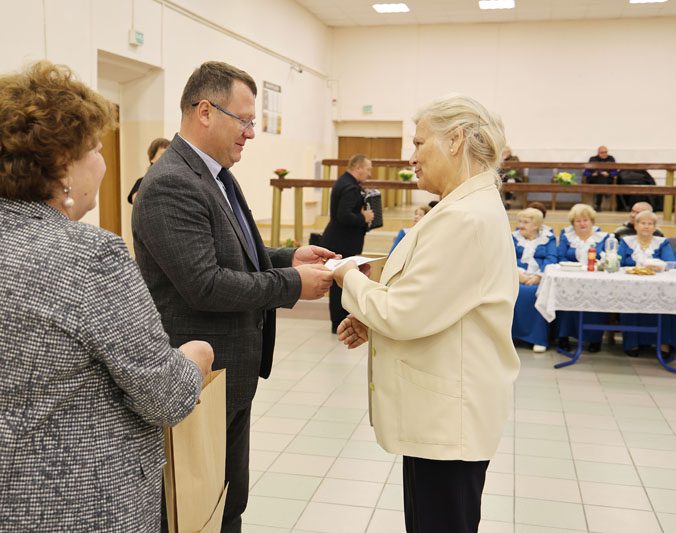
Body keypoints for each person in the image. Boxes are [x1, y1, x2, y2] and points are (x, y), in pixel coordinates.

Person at [0, 61, 213, 531]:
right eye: (95, 148)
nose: (103, 160)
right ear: (62, 167)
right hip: (81, 504)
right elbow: (163, 396)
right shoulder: (89, 256)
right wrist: (194, 359)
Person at [131, 61, 336, 532]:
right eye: (244, 120)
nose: (251, 133)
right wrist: (293, 286)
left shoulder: (215, 174)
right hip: (202, 375)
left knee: (229, 501)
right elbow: (206, 283)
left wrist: (289, 257)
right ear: (205, 111)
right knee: (197, 508)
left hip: (232, 372)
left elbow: (237, 249)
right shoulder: (170, 185)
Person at [333, 94, 520, 533]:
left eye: (419, 144)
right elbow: (432, 301)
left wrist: (347, 275)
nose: (410, 157)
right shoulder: (460, 208)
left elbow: (404, 312)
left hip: (448, 423)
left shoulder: (466, 218)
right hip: (437, 413)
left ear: (455, 140)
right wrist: (371, 319)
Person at [320, 154, 375, 333]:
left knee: (339, 283)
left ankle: (338, 321)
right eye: (367, 169)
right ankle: (339, 322)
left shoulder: (344, 182)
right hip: (342, 241)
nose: (369, 173)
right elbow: (344, 216)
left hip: (338, 239)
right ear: (358, 168)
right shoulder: (350, 187)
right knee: (340, 283)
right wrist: (364, 217)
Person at [618, 210, 675, 358]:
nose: (646, 226)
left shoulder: (662, 243)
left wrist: (658, 266)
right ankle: (632, 343)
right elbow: (618, 263)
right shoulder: (626, 242)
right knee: (628, 302)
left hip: (657, 286)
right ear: (635, 225)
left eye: (650, 224)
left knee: (668, 302)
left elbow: (670, 264)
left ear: (655, 227)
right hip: (630, 285)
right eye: (643, 223)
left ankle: (664, 343)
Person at [556, 204, 609, 353]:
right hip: (570, 278)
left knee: (597, 298)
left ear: (592, 221)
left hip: (596, 279)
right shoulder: (567, 236)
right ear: (573, 223)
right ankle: (563, 337)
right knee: (565, 297)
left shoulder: (603, 237)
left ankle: (594, 339)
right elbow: (560, 256)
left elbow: (607, 258)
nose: (582, 224)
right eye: (578, 221)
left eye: (585, 220)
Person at [511, 207, 558, 352]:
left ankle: (538, 338)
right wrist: (518, 275)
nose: (521, 225)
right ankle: (510, 337)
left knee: (538, 294)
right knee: (514, 291)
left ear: (536, 225)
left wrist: (539, 276)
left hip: (540, 278)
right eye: (520, 221)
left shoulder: (548, 238)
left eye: (526, 222)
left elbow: (551, 258)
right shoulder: (512, 237)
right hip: (515, 276)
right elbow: (506, 257)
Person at [127, 137, 170, 204]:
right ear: (152, 158)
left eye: (169, 155)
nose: (167, 158)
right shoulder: (141, 181)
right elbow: (136, 200)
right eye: (162, 155)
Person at [583, 145, 618, 211]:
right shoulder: (593, 159)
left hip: (607, 179)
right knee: (600, 177)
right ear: (598, 153)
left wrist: (608, 174)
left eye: (606, 152)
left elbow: (615, 172)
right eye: (602, 152)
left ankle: (598, 205)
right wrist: (592, 174)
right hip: (594, 179)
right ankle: (605, 192)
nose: (604, 154)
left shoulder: (611, 159)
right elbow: (586, 172)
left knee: (601, 179)